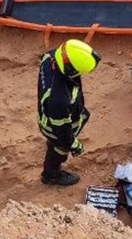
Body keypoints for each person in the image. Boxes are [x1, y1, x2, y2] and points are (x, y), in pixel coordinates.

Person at [38, 39, 101, 185]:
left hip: (52, 115)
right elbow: (62, 130)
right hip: (55, 127)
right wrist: (73, 145)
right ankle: (52, 175)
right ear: (70, 70)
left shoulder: (52, 56)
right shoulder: (59, 100)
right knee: (59, 149)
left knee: (56, 144)